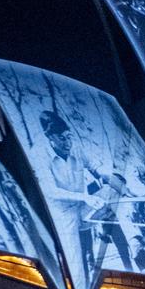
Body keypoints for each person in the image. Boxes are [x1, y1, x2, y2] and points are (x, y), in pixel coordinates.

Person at [39, 110, 105, 278]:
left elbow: (96, 168)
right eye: (62, 138)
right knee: (76, 265)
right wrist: (84, 197)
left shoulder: (76, 148)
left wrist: (117, 183)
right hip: (63, 215)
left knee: (111, 197)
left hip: (83, 208)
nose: (67, 142)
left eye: (69, 136)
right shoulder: (39, 155)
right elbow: (51, 192)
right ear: (50, 138)